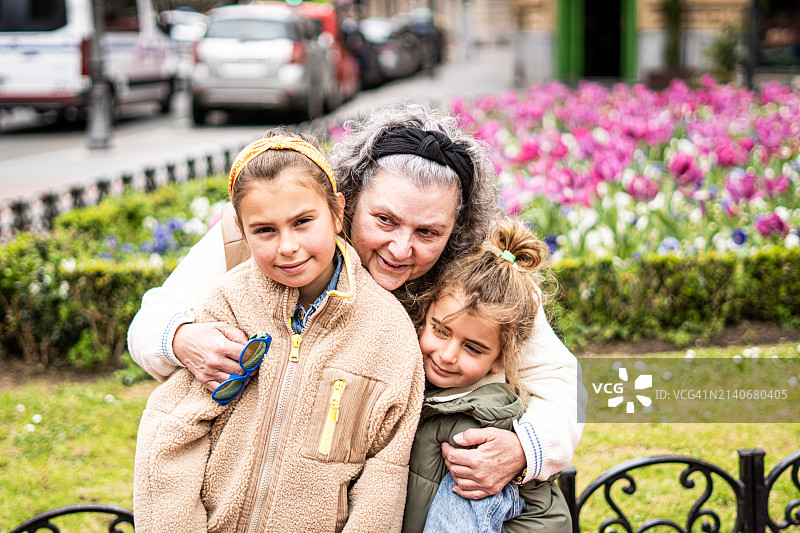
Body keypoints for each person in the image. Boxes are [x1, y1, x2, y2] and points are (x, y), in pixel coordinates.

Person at [128, 104, 587, 497]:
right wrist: (182, 338)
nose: (401, 249)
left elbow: (562, 384)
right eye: (384, 220)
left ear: (456, 230)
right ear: (344, 205)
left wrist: (523, 449)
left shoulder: (479, 278)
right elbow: (149, 321)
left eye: (428, 232)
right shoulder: (268, 231)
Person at [132, 131, 425, 532]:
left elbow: (384, 475)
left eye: (303, 222)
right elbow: (173, 434)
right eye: (265, 230)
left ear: (338, 213)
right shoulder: (229, 301)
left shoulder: (387, 332)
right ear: (242, 229)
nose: (287, 245)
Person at [402, 219, 570, 533]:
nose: (448, 355)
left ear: (500, 360)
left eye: (473, 348)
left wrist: (527, 449)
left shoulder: (478, 435)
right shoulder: (446, 396)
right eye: (440, 331)